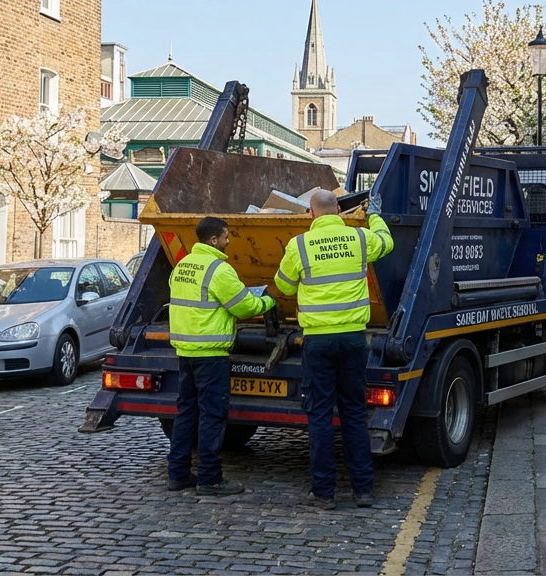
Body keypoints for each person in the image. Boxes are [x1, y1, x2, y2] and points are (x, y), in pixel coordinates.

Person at [274, 189, 393, 510]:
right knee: (354, 413)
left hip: (318, 341)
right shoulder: (359, 238)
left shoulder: (299, 245)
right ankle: (363, 491)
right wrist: (374, 215)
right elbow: (386, 242)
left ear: (311, 214)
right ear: (339, 209)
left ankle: (324, 493)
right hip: (353, 339)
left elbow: (283, 285)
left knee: (320, 415)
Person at [167, 216, 274, 496]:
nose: (228, 241)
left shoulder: (182, 265)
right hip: (211, 355)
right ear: (213, 239)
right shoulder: (219, 269)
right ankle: (210, 479)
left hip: (185, 352)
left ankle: (178, 474)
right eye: (226, 236)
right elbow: (244, 307)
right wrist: (268, 301)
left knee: (186, 413)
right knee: (212, 416)